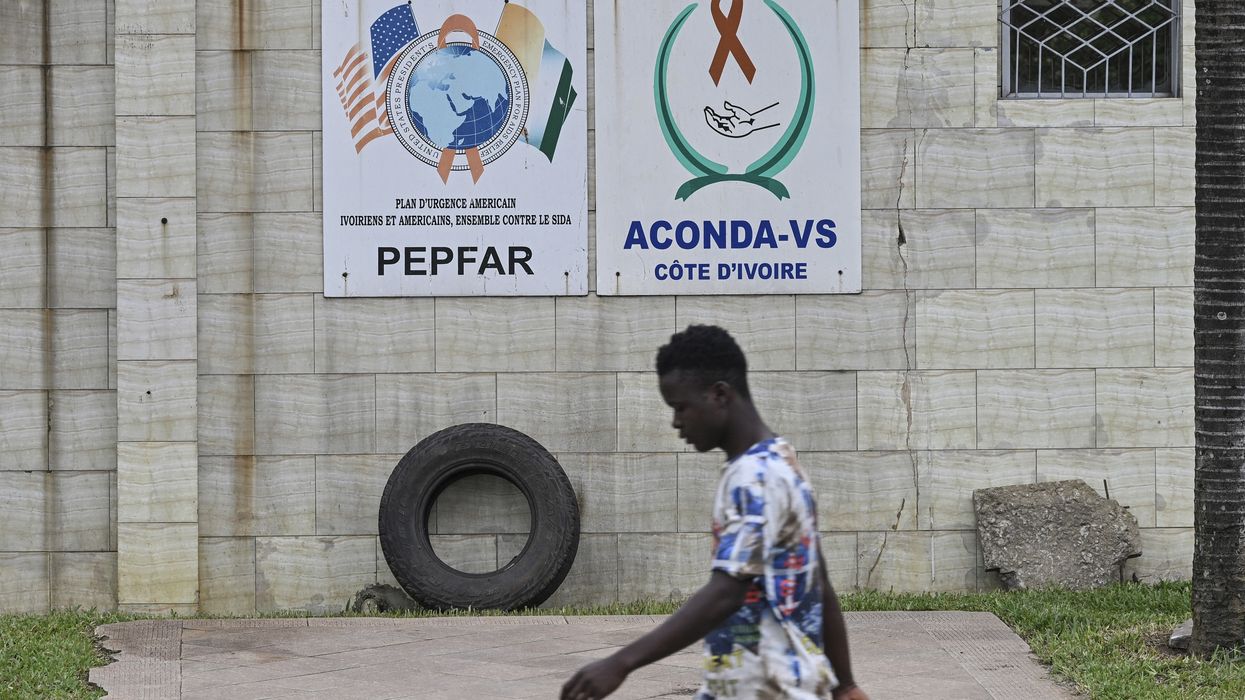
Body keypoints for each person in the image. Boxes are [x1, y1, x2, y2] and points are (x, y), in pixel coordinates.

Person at [562, 325, 868, 700]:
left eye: (680, 407)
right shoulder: (782, 460)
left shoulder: (753, 479)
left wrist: (621, 662)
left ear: (720, 394)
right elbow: (819, 582)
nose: (676, 422)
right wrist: (845, 683)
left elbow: (727, 591)